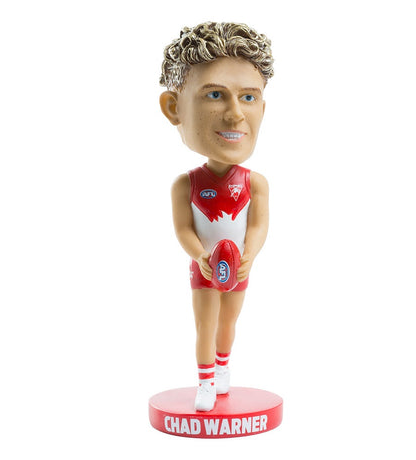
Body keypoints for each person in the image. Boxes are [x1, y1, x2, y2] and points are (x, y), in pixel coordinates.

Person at [159, 22, 274, 411]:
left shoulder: (254, 183)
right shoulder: (186, 184)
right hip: (205, 268)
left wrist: (250, 254)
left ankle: (223, 369)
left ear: (262, 107)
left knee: (228, 324)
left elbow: (257, 225)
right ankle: (205, 381)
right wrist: (200, 255)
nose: (236, 114)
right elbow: (183, 228)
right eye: (214, 95)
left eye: (248, 97)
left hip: (238, 266)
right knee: (205, 324)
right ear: (174, 107)